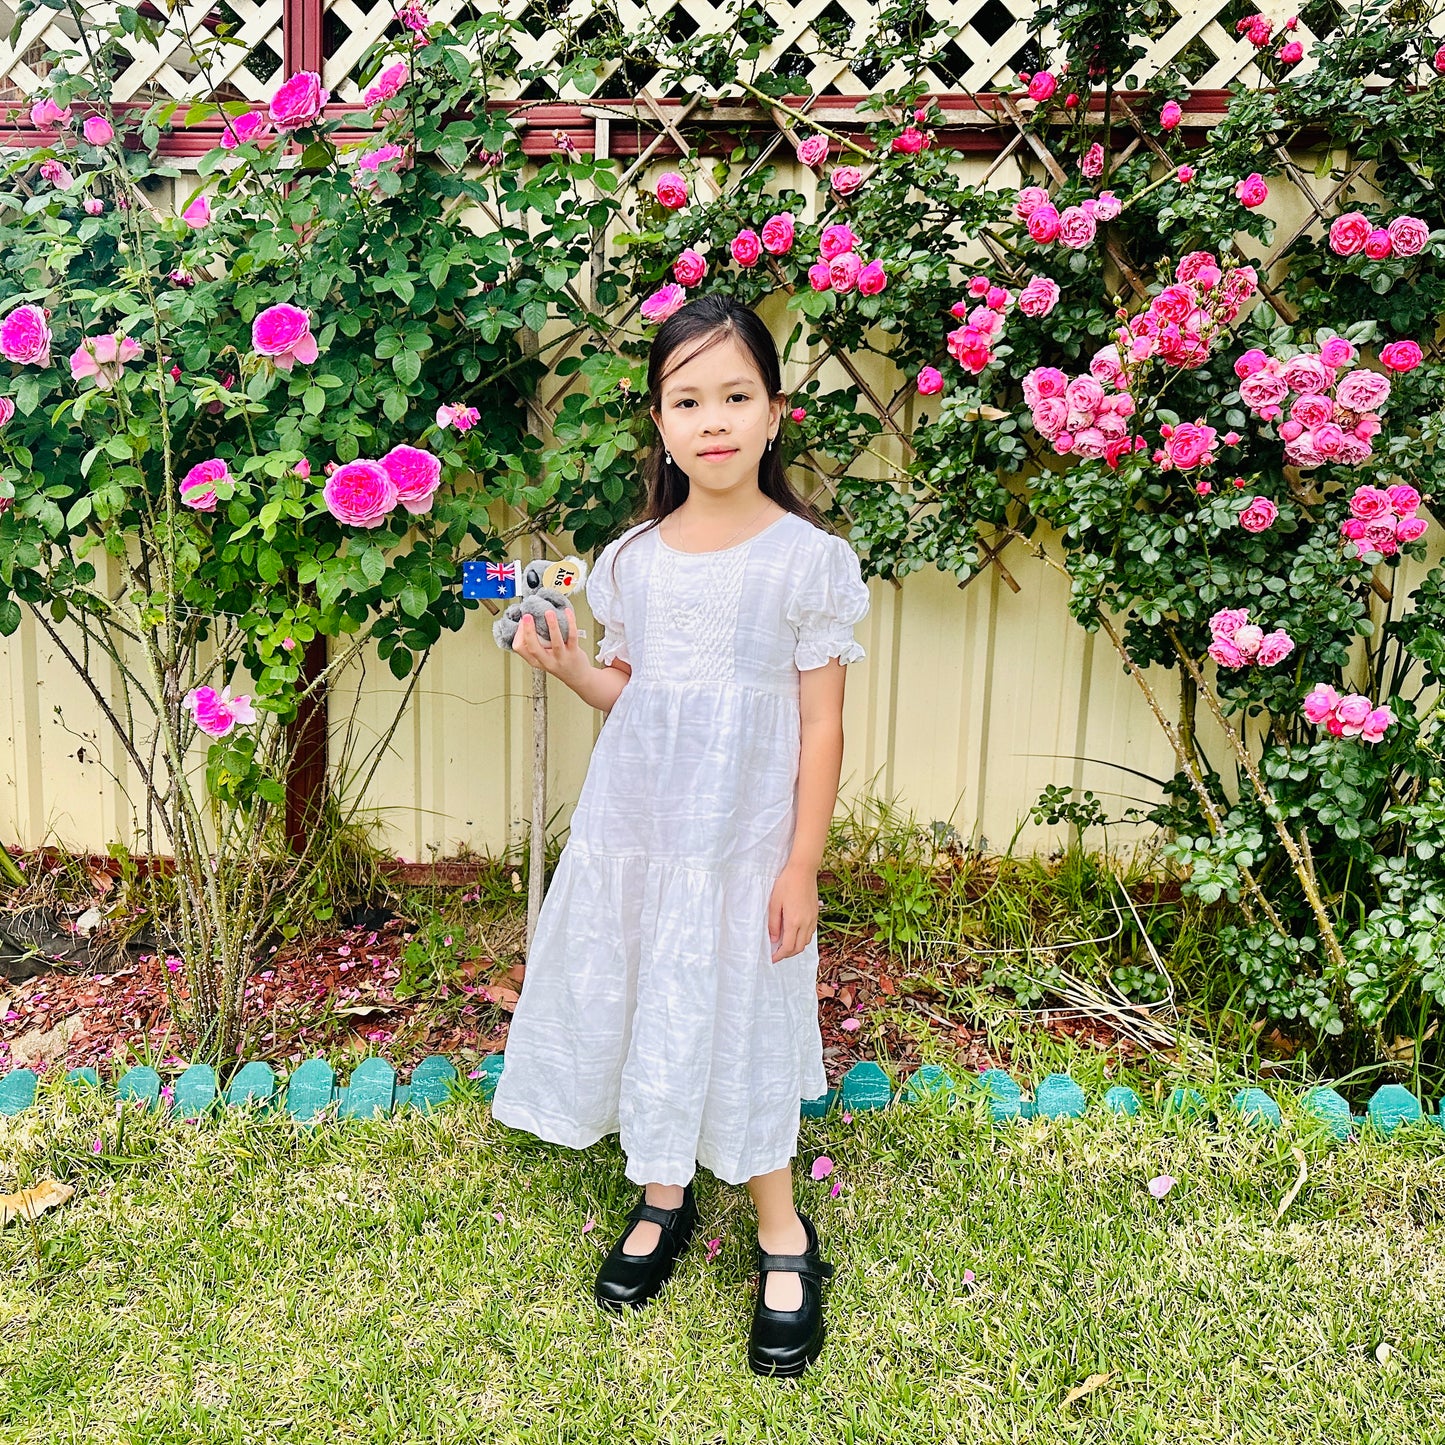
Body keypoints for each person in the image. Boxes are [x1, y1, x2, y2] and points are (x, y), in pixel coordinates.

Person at [490, 292, 871, 1377]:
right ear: (657, 422)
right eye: (688, 399)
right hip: (643, 826)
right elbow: (642, 695)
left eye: (735, 395)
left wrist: (799, 860)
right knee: (654, 985)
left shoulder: (806, 559)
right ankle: (663, 1186)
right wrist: (571, 668)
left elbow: (821, 719)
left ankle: (780, 1226)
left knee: (738, 999)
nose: (713, 420)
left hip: (745, 838)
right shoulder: (631, 560)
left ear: (773, 412)